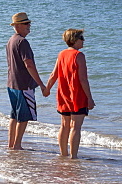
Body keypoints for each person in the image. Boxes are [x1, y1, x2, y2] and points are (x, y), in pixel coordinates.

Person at [46, 29, 95, 159]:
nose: (83, 40)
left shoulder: (61, 54)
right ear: (74, 39)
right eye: (81, 38)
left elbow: (53, 75)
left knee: (64, 125)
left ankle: (63, 155)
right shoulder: (79, 55)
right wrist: (90, 98)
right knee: (76, 127)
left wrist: (47, 88)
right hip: (77, 95)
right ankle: (73, 157)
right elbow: (83, 79)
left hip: (63, 94)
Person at [6, 12, 49, 150]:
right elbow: (29, 64)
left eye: (29, 23)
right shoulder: (22, 42)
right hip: (23, 85)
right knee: (23, 117)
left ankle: (11, 144)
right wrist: (41, 84)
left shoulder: (11, 40)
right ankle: (17, 145)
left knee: (14, 115)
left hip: (12, 83)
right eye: (26, 24)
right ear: (17, 26)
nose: (29, 26)